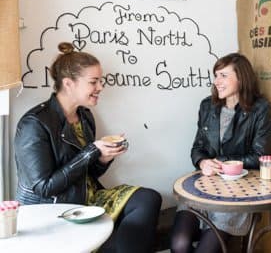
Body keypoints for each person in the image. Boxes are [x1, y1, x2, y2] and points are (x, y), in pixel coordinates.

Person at [14, 42, 162, 253]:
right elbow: (44, 187)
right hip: (55, 209)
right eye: (94, 81)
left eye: (100, 81)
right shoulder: (34, 124)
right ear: (69, 83)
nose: (100, 87)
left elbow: (90, 172)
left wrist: (103, 158)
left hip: (86, 197)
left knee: (148, 198)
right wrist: (92, 151)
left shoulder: (84, 116)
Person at [170, 53, 271, 253]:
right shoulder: (207, 106)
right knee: (179, 245)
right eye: (216, 75)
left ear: (241, 78)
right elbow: (197, 148)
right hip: (203, 187)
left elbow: (260, 156)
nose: (217, 81)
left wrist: (220, 161)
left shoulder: (259, 109)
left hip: (237, 192)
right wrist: (202, 163)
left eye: (223, 75)